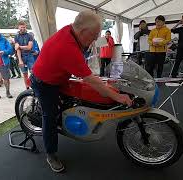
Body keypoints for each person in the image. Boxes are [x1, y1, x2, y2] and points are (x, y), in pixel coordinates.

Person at [31, 10, 132, 173]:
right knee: (49, 116)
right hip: (44, 81)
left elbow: (84, 67)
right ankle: (51, 154)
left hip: (59, 75)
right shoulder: (67, 47)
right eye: (93, 36)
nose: (94, 40)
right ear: (83, 31)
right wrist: (117, 96)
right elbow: (91, 79)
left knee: (78, 94)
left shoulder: (72, 31)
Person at [14, 21, 34, 89]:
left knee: (33, 73)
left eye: (24, 27)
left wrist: (20, 47)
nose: (23, 28)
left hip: (29, 56)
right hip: (21, 56)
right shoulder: (16, 36)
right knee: (25, 74)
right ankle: (27, 88)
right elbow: (17, 49)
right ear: (18, 27)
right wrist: (20, 60)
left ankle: (34, 87)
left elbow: (29, 47)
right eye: (21, 27)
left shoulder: (29, 36)